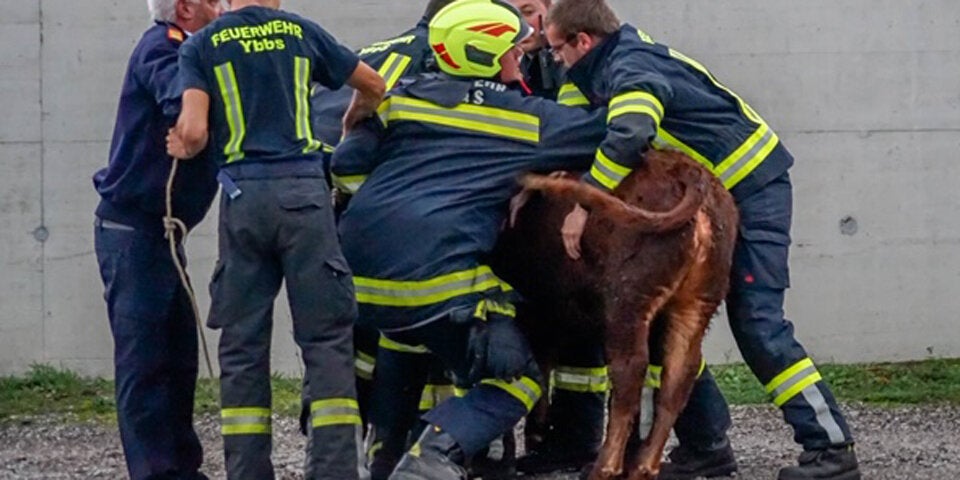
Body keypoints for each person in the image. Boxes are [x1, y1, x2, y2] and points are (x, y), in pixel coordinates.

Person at [543, 1, 861, 479]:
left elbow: (630, 133)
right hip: (717, 197)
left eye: (556, 49)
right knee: (671, 323)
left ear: (582, 41)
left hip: (751, 189)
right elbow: (574, 130)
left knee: (758, 322)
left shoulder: (631, 68)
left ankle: (831, 448)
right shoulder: (600, 67)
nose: (555, 60)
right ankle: (705, 449)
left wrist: (584, 202)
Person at [330, 0, 609, 477]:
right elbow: (610, 133)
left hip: (360, 282)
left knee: (408, 337)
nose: (519, 59)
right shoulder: (522, 119)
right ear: (483, 55)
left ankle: (387, 458)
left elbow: (346, 168)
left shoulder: (397, 99)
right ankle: (435, 454)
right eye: (511, 50)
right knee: (517, 377)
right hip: (436, 279)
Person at [165, 0, 385, 478]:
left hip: (243, 201)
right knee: (326, 340)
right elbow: (373, 84)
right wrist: (350, 123)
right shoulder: (301, 31)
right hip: (305, 198)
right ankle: (333, 469)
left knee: (242, 346)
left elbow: (196, 132)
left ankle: (248, 471)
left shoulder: (202, 44)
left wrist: (180, 140)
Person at [92, 1, 222, 479]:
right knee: (145, 364)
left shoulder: (191, 52)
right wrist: (197, 129)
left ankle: (181, 470)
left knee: (177, 360)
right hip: (134, 232)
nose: (221, 5)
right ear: (185, 8)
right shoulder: (163, 49)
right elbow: (182, 105)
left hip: (161, 234)